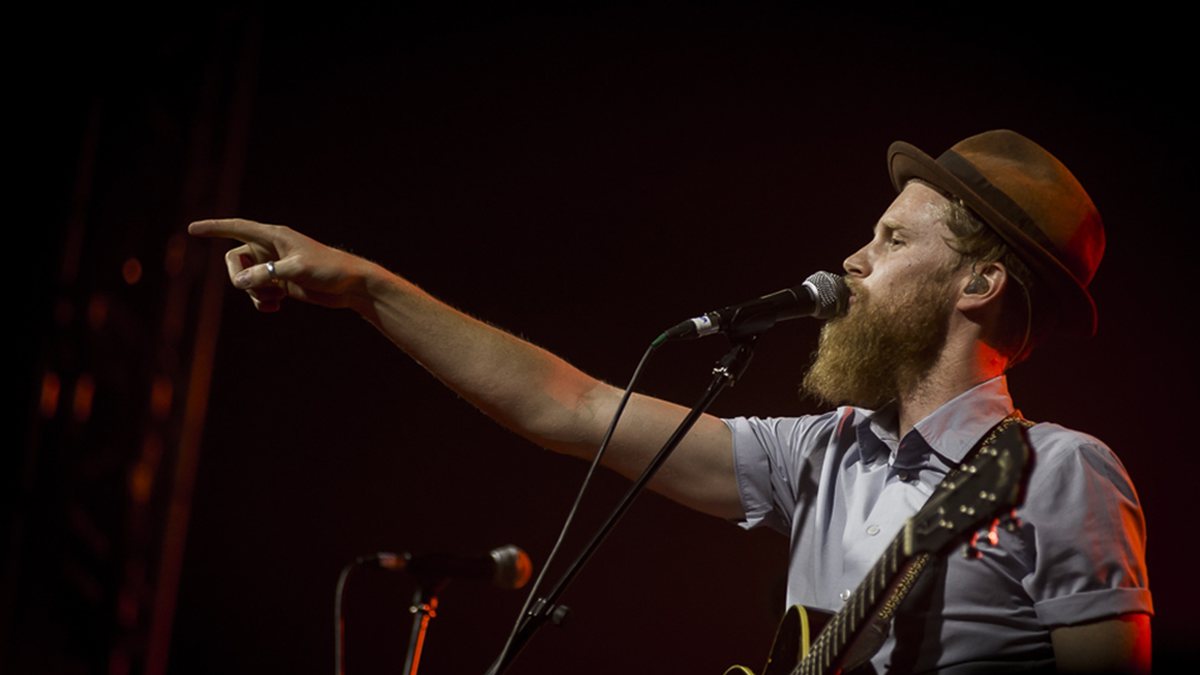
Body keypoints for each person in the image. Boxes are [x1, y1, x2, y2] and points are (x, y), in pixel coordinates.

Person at [190, 130, 1152, 672]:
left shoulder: (1061, 472)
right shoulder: (821, 452)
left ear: (979, 282)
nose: (854, 258)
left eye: (894, 240)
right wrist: (366, 288)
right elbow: (565, 405)